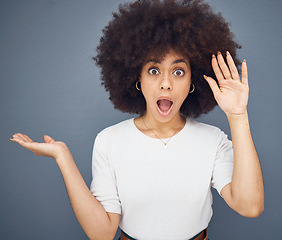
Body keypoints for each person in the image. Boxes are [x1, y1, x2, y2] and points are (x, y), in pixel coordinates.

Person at [10, 0, 264, 239]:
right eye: (154, 70)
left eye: (178, 71)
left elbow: (250, 206)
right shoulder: (109, 141)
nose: (165, 83)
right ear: (138, 79)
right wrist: (62, 156)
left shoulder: (213, 140)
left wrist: (237, 114)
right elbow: (102, 233)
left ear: (192, 82)